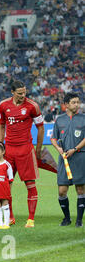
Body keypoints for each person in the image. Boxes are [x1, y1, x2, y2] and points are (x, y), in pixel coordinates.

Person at [0, 80, 44, 228]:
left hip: (25, 149)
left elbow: (41, 128)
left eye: (24, 92)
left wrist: (37, 149)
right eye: (19, 93)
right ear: (12, 92)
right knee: (5, 184)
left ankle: (31, 219)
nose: (23, 95)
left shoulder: (33, 106)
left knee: (30, 184)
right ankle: (10, 217)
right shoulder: (4, 105)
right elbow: (1, 125)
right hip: (9, 150)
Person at [50, 93, 85, 228]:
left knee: (80, 190)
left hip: (80, 156)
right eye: (74, 102)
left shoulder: (83, 118)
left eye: (78, 102)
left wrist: (75, 149)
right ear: (66, 105)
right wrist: (58, 149)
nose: (77, 105)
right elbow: (53, 138)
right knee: (62, 191)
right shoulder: (60, 120)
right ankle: (67, 218)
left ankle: (79, 220)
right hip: (64, 159)